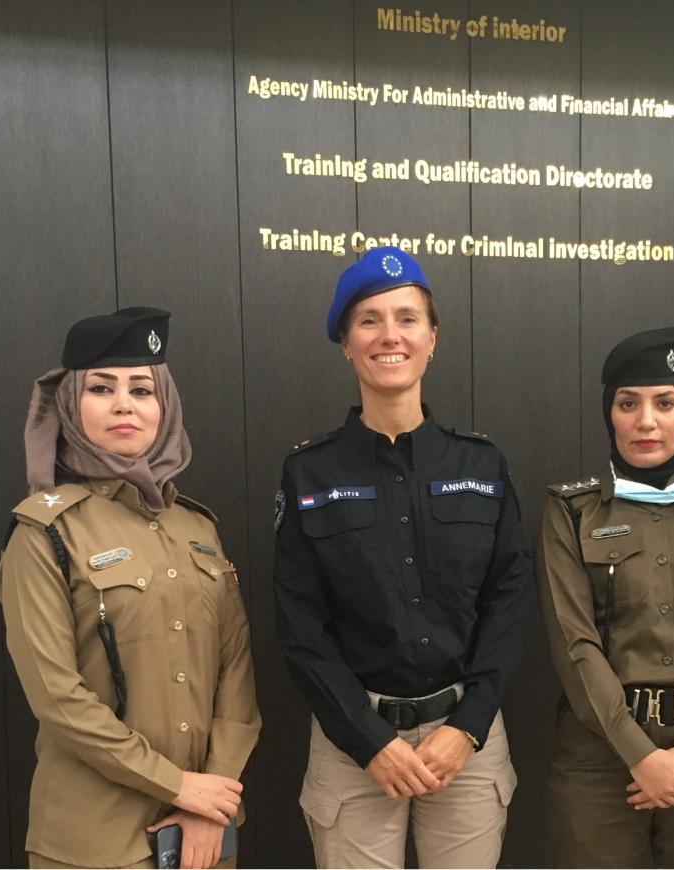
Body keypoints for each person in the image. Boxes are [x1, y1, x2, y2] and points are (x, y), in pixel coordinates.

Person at [273, 246, 532, 869]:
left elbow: (510, 601)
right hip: (353, 743)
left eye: (407, 318)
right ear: (346, 342)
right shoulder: (309, 470)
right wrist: (370, 741)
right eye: (369, 320)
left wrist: (467, 726)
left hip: (464, 744)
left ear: (432, 336)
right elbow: (300, 626)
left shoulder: (481, 464)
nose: (390, 335)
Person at [0, 307, 261, 869]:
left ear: (164, 407)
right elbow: (57, 698)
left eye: (142, 388)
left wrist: (208, 798)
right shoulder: (44, 531)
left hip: (202, 838)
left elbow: (235, 672)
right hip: (92, 843)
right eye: (101, 387)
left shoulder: (198, 527)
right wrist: (177, 786)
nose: (124, 404)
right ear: (70, 403)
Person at [536, 326, 674, 868]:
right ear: (608, 412)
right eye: (627, 403)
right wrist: (641, 756)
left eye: (665, 402)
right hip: (599, 759)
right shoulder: (571, 511)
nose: (646, 421)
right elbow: (575, 646)